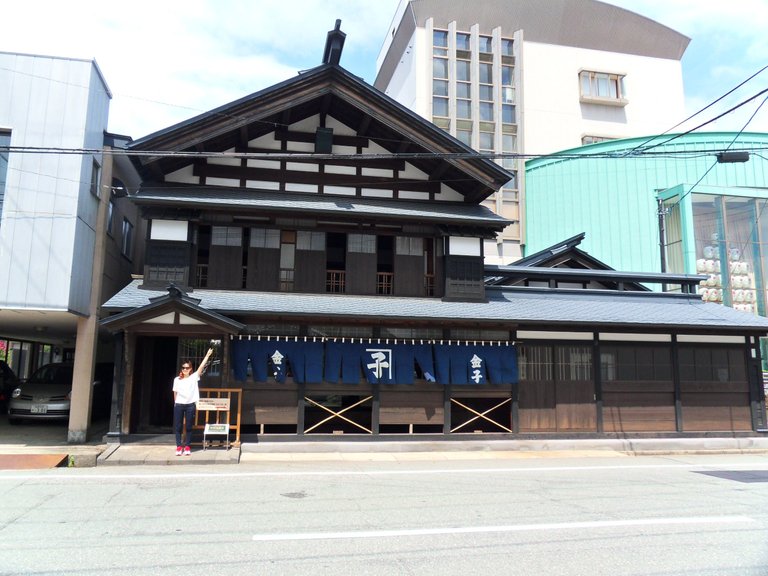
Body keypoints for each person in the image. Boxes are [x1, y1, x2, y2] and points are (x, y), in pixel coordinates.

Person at [173, 348, 214, 456]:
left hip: (190, 405)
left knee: (189, 426)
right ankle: (178, 446)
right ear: (181, 369)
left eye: (187, 367)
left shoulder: (193, 377)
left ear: (190, 369)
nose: (185, 369)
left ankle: (187, 446)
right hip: (179, 405)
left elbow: (201, 367)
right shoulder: (177, 379)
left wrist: (207, 355)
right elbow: (175, 392)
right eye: (183, 368)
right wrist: (175, 403)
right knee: (178, 426)